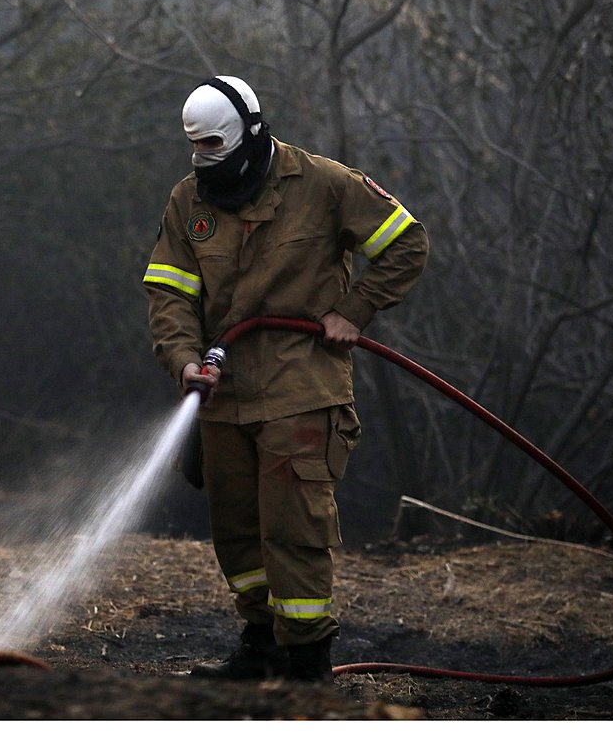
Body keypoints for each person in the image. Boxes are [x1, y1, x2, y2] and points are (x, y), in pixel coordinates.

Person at [142, 75, 429, 683]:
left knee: (294, 529)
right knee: (237, 529)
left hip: (301, 389)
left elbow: (407, 242)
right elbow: (169, 294)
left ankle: (306, 664)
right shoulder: (188, 201)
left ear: (253, 131)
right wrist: (185, 360)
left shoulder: (324, 185)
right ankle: (260, 645)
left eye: (216, 149)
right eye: (198, 152)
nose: (206, 165)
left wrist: (352, 311)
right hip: (222, 394)